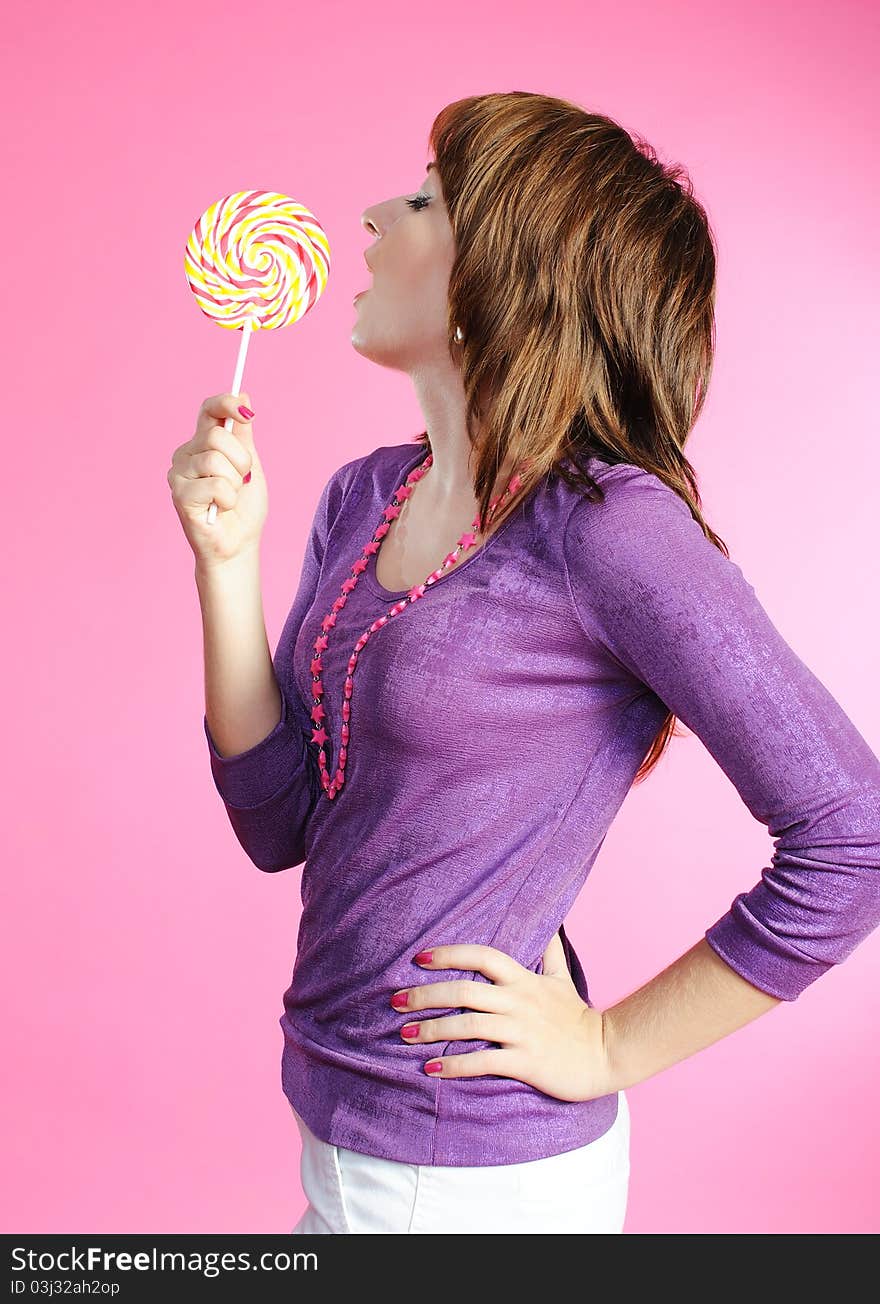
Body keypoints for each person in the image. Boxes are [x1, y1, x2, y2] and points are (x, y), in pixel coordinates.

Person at [168, 92, 880, 1235]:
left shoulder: (609, 529)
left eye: (420, 201)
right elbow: (279, 824)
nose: (367, 216)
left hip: (471, 1187)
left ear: (501, 273)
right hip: (338, 1130)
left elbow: (854, 833)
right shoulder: (364, 495)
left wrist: (609, 1042)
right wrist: (226, 565)